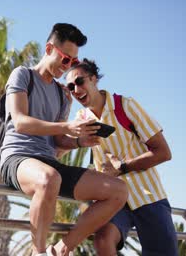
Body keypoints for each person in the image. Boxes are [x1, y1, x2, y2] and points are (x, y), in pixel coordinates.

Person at [0, 23, 128, 256]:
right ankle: (38, 253)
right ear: (49, 48)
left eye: (72, 61)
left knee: (118, 191)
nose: (68, 66)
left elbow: (57, 140)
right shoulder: (22, 75)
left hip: (51, 166)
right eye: (65, 59)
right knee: (49, 179)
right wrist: (68, 126)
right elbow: (19, 122)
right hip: (18, 158)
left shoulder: (62, 94)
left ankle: (60, 250)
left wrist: (79, 141)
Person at [65, 58, 178, 256]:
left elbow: (163, 152)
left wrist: (123, 167)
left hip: (148, 196)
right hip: (113, 200)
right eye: (70, 86)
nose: (75, 89)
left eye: (80, 81)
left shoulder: (126, 106)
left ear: (93, 79)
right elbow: (61, 145)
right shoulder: (80, 120)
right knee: (103, 240)